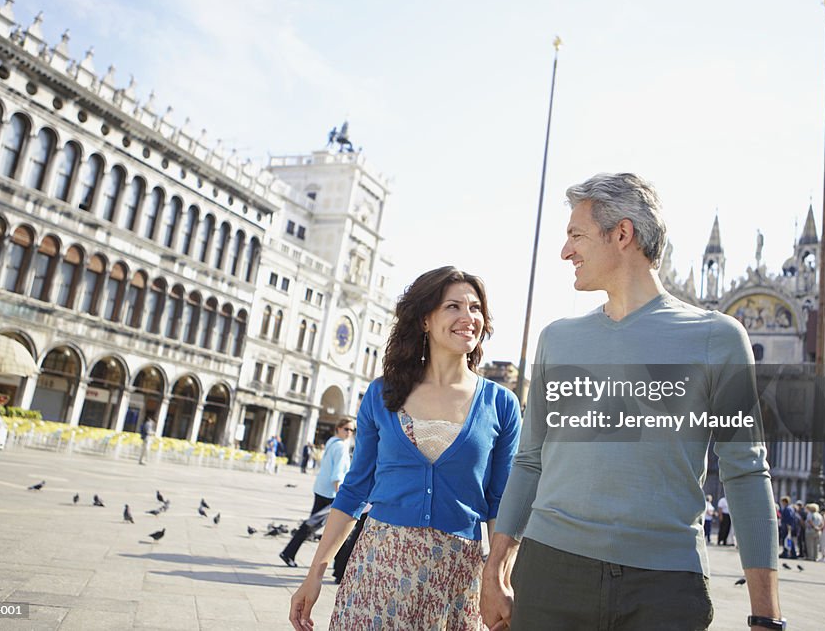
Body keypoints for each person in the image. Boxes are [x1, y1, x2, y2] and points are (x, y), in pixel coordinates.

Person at [481, 173, 781, 631]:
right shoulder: (557, 339)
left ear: (622, 234)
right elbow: (529, 460)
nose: (565, 252)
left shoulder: (718, 339)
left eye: (575, 235)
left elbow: (745, 470)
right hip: (548, 577)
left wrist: (767, 614)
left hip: (664, 588)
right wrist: (496, 567)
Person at [288, 266, 521, 631]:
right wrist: (314, 574)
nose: (468, 317)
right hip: (379, 568)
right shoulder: (383, 395)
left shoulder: (501, 404)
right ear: (425, 320)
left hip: (456, 578)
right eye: (453, 307)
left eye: (475, 308)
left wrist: (499, 579)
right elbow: (354, 489)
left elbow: (503, 504)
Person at [279, 418, 355, 567]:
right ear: (338, 428)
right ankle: (338, 566)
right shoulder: (340, 447)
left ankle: (290, 552)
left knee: (315, 524)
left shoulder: (331, 442)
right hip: (331, 493)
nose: (349, 433)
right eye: (346, 429)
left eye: (352, 430)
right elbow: (338, 473)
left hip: (321, 489)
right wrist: (340, 493)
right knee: (336, 529)